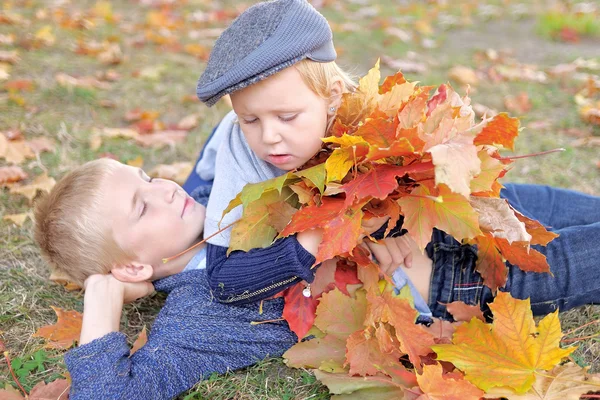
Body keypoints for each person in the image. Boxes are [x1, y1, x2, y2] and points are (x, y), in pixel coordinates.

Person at [191, 0, 600, 320]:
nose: (269, 136)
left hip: (465, 211)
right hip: (451, 276)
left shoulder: (380, 120)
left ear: (333, 95)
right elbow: (226, 281)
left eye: (287, 117)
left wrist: (394, 218)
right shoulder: (239, 144)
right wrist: (322, 236)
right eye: (249, 119)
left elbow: (444, 178)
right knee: (561, 263)